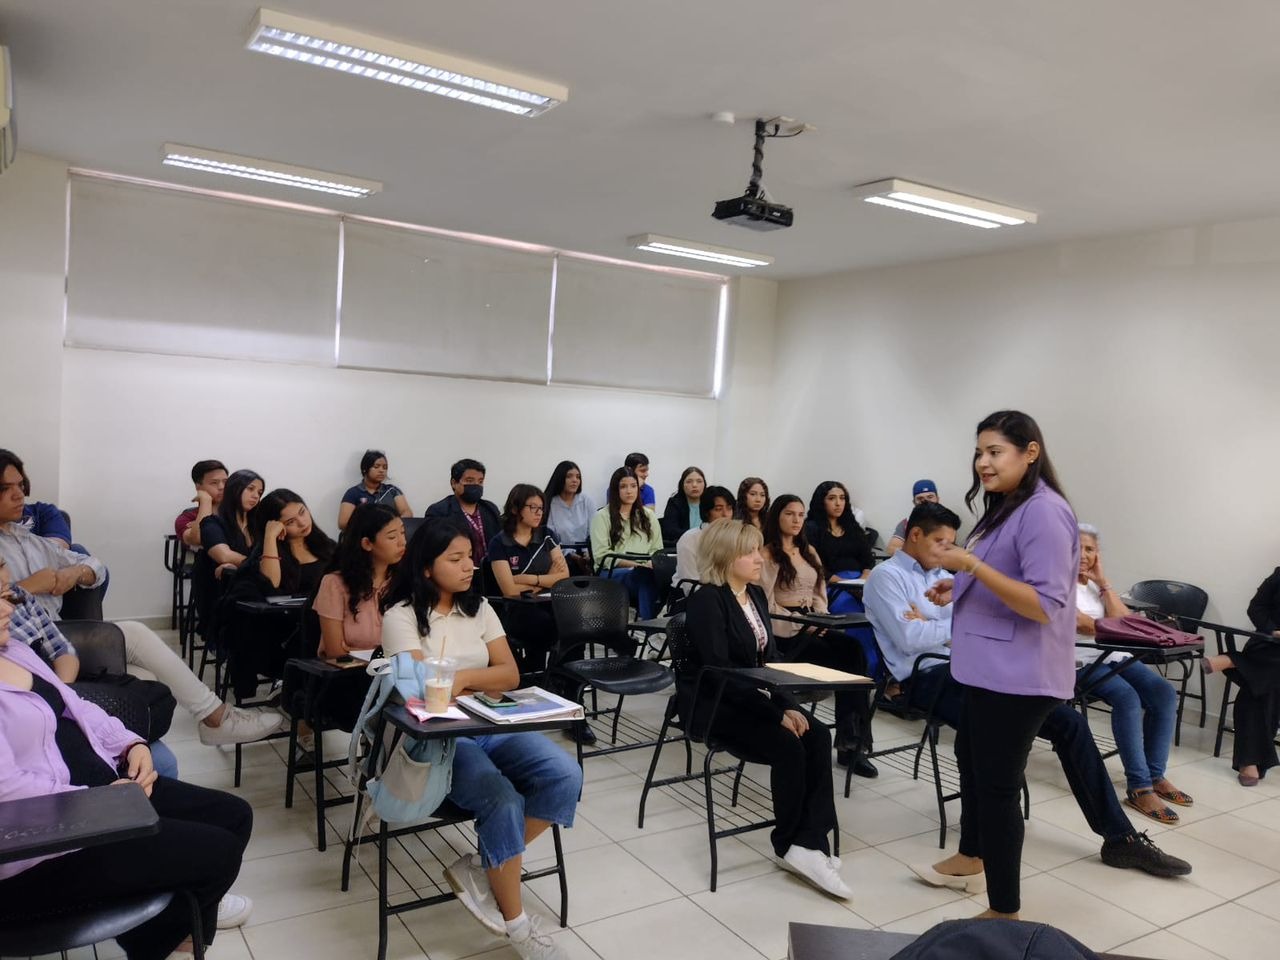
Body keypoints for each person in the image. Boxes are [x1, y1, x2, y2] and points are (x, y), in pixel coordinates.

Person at [863, 501, 1192, 893]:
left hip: (976, 664)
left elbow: (973, 618)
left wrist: (947, 619)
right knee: (985, 742)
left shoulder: (946, 577)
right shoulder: (886, 577)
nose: (948, 551)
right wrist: (961, 620)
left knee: (1069, 723)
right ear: (914, 535)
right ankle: (978, 850)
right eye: (941, 543)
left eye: (952, 544)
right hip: (929, 676)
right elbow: (909, 639)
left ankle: (1120, 838)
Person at [0, 590, 255, 960]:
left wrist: (129, 743)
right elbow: (8, 792)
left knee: (235, 816)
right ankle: (160, 938)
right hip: (43, 845)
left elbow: (75, 706)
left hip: (99, 796)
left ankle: (178, 928)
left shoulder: (13, 650)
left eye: (7, 594)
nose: (8, 608)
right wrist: (100, 806)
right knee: (219, 853)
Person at [380, 520, 582, 960]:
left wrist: (460, 679)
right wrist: (472, 681)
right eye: (455, 559)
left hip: (488, 723)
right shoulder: (400, 616)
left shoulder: (480, 608)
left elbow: (509, 674)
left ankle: (480, 863)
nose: (469, 566)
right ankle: (518, 928)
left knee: (565, 774)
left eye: (470, 557)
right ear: (427, 568)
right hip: (440, 739)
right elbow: (418, 689)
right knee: (502, 798)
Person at [924, 410, 1079, 920]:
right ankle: (971, 856)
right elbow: (1002, 575)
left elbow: (1044, 604)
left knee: (997, 787)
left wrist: (971, 566)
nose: (983, 463)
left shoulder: (1044, 512)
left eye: (995, 452)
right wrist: (961, 585)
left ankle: (1004, 910)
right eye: (979, 453)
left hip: (1019, 675)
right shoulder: (1007, 507)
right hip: (985, 668)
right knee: (970, 761)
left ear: (1030, 452)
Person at [0, 472, 286, 747]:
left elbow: (95, 566)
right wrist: (31, 585)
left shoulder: (28, 539)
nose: (19, 494)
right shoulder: (214, 522)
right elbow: (216, 550)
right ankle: (215, 717)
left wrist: (74, 573)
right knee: (135, 635)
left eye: (21, 485)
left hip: (56, 636)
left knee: (149, 681)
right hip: (27, 643)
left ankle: (140, 747)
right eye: (5, 488)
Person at [684, 519, 850, 899]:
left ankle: (811, 842)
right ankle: (789, 843)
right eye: (749, 552)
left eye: (757, 550)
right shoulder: (707, 601)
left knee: (817, 734)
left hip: (753, 697)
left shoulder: (755, 595)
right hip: (718, 705)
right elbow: (721, 673)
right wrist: (776, 713)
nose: (759, 558)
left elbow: (769, 661)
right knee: (789, 745)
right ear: (726, 556)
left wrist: (786, 704)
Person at [0, 558, 179, 779]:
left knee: (160, 697)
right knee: (147, 710)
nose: (8, 607)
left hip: (59, 685)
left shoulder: (19, 608)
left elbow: (62, 649)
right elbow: (15, 786)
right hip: (45, 716)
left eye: (7, 594)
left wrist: (59, 692)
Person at [1074, 523, 1191, 820]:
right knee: (1127, 698)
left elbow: (1124, 622)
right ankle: (1139, 788)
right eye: (1076, 547)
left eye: (1090, 549)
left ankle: (1155, 775)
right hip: (1079, 661)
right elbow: (1084, 625)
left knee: (1163, 693)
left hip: (1113, 655)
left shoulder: (1094, 585)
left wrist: (1103, 582)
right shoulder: (1054, 584)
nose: (1084, 555)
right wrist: (1116, 626)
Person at [760, 494, 877, 777]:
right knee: (843, 658)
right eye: (790, 514)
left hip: (812, 622)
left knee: (853, 651)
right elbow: (765, 603)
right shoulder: (767, 554)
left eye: (801, 515)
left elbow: (819, 592)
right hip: (785, 631)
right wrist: (802, 623)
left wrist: (820, 617)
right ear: (777, 517)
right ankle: (851, 744)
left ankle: (853, 743)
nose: (796, 520)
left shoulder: (808, 550)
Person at [219, 489, 338, 700]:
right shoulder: (268, 553)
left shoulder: (326, 547)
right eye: (291, 521)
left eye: (302, 512)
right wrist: (270, 537)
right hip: (285, 629)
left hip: (325, 621)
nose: (302, 522)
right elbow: (271, 584)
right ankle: (298, 689)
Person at [310, 504, 405, 728]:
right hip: (352, 678)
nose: (402, 542)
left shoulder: (404, 581)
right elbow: (336, 652)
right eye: (392, 537)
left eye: (403, 533)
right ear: (367, 543)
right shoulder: (335, 583)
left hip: (399, 674)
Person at [1201, 565, 1280, 786]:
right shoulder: (1279, 575)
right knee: (1262, 686)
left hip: (1267, 661)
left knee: (1257, 685)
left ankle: (1234, 660)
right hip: (1268, 646)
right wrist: (1273, 631)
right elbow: (1256, 607)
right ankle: (1252, 762)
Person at [487, 484, 570, 675]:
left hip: (550, 602)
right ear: (515, 508)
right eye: (533, 507)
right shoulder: (499, 543)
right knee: (548, 624)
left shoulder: (547, 535)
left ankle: (567, 681)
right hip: (518, 609)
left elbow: (564, 577)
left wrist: (529, 579)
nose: (539, 513)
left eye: (541, 508)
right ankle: (541, 675)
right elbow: (510, 590)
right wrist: (548, 578)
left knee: (575, 620)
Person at [589, 467, 664, 618]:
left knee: (663, 575)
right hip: (612, 572)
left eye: (633, 486)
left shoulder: (649, 516)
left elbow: (657, 549)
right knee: (645, 576)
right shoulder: (601, 516)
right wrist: (635, 565)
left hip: (644, 570)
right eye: (623, 486)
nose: (629, 491)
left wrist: (650, 563)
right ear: (615, 490)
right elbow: (602, 556)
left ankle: (652, 622)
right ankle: (647, 624)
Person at [425, 458, 503, 566]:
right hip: (460, 569)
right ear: (454, 483)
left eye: (480, 481)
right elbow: (434, 551)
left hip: (493, 569)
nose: (476, 485)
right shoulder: (439, 512)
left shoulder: (490, 509)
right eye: (470, 481)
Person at [805, 481, 875, 583]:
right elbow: (812, 563)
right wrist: (843, 583)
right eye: (831, 498)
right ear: (821, 502)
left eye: (842, 498)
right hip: (829, 583)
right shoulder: (811, 528)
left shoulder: (852, 526)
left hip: (859, 581)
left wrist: (864, 579)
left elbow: (868, 559)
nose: (838, 503)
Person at [200, 468, 264, 576]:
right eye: (250, 489)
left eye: (259, 492)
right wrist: (263, 567)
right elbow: (224, 556)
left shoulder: (258, 524)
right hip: (218, 585)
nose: (256, 496)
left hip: (252, 583)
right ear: (234, 489)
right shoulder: (212, 523)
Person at [673, 485, 736, 592]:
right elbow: (690, 585)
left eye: (729, 508)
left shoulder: (735, 537)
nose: (726, 514)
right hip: (692, 594)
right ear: (706, 512)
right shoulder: (690, 539)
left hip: (726, 593)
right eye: (718, 509)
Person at [337, 450, 413, 530]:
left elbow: (407, 513)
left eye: (385, 467)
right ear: (365, 469)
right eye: (376, 467)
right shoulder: (353, 493)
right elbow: (343, 523)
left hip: (389, 533)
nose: (381, 470)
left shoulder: (392, 491)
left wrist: (391, 525)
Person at [544, 460, 596, 556]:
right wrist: (570, 554)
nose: (575, 480)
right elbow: (549, 537)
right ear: (560, 478)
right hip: (559, 554)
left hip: (588, 553)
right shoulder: (550, 503)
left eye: (578, 477)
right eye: (569, 476)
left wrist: (588, 553)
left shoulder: (587, 500)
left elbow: (595, 532)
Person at [176, 459, 229, 548]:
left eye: (225, 481)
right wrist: (206, 500)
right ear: (198, 487)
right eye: (214, 483)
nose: (222, 487)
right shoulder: (187, 518)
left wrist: (200, 526)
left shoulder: (238, 511)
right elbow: (197, 538)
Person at [884, 479, 940, 557]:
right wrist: (920, 553)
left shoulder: (948, 522)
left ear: (937, 499)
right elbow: (891, 550)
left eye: (930, 497)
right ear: (914, 502)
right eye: (920, 498)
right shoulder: (906, 523)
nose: (925, 501)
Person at [659, 466, 708, 542]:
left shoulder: (710, 502)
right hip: (683, 544)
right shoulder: (674, 503)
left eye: (699, 481)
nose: (694, 485)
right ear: (682, 485)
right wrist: (697, 535)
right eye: (689, 481)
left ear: (704, 484)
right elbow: (670, 530)